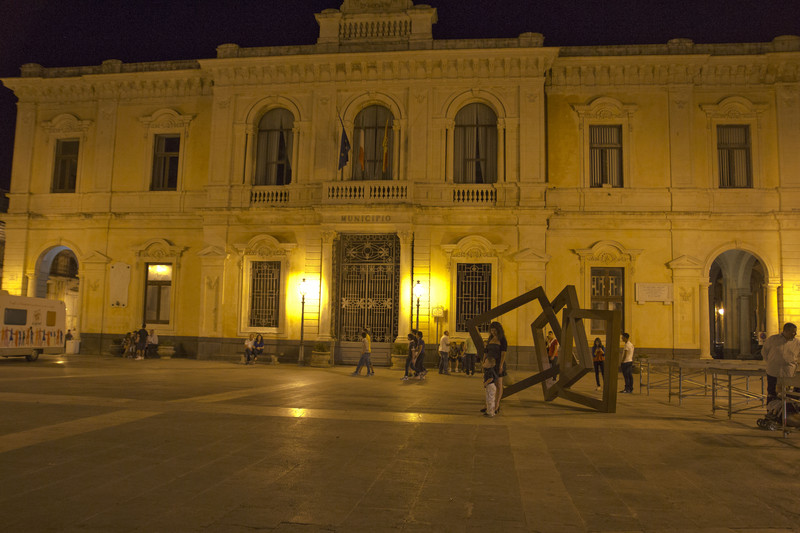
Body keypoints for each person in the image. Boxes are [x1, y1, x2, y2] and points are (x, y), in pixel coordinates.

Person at [762, 322, 800, 402]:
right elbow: (764, 352)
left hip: (789, 373)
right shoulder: (773, 339)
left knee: (789, 395)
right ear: (786, 331)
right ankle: (771, 410)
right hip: (773, 371)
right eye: (793, 332)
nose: (795, 334)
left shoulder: (797, 343)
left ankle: (787, 411)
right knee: (772, 393)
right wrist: (771, 362)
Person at [485, 321, 508, 414]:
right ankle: (488, 404)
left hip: (498, 363)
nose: (493, 332)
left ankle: (497, 405)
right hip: (490, 364)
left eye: (494, 330)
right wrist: (484, 361)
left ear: (499, 330)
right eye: (491, 330)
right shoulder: (490, 338)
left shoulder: (502, 339)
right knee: (488, 383)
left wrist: (501, 365)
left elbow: (503, 353)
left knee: (498, 384)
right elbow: (486, 351)